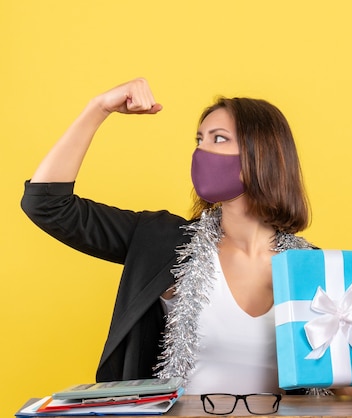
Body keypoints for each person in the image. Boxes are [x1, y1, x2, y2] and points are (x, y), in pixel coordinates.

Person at [20, 78, 315, 395]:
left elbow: (341, 385)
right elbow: (47, 205)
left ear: (263, 155)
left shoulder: (312, 268)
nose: (201, 150)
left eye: (218, 139)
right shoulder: (162, 240)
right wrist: (98, 108)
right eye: (199, 139)